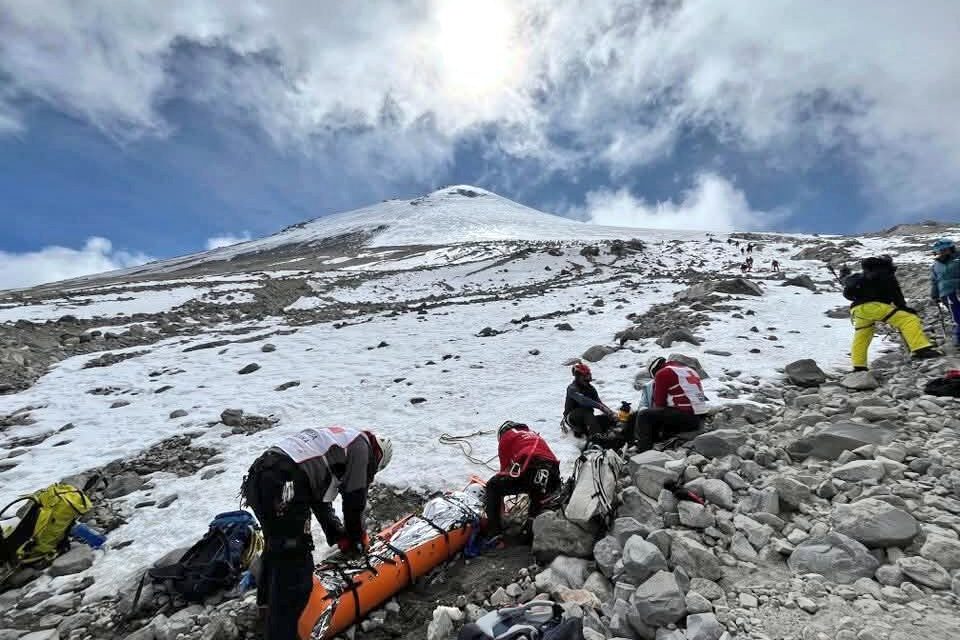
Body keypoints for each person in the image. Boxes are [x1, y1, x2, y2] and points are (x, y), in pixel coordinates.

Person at [242, 426, 393, 640]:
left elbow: (318, 500)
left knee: (277, 548)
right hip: (284, 480)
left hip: (260, 476)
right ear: (378, 457)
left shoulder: (338, 443)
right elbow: (354, 500)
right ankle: (282, 633)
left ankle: (265, 614)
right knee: (297, 568)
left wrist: (338, 535)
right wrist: (357, 538)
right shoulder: (361, 447)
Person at [841, 255, 941, 371]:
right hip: (875, 306)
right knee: (908, 319)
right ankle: (920, 349)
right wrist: (903, 307)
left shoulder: (859, 277)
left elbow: (847, 291)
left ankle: (859, 366)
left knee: (862, 336)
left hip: (857, 310)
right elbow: (896, 293)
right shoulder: (886, 274)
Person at [484, 422, 560, 538]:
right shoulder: (534, 435)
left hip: (531, 468)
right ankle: (530, 524)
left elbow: (504, 469)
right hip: (552, 473)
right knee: (537, 491)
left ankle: (495, 531)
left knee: (493, 486)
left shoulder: (507, 436)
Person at [633, 357, 709, 451]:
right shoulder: (689, 370)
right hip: (700, 417)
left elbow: (660, 403)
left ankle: (643, 450)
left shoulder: (662, 373)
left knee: (644, 415)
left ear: (653, 370)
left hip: (687, 418)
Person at [562, 363, 616, 438]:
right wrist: (599, 406)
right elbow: (583, 400)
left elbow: (599, 402)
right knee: (586, 411)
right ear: (578, 377)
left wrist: (611, 413)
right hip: (572, 419)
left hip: (587, 419)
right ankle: (596, 438)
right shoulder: (572, 388)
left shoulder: (591, 389)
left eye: (588, 375)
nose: (587, 378)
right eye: (585, 376)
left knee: (606, 419)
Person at [930, 238, 960, 347]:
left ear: (951, 249)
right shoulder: (935, 265)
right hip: (947, 294)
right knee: (957, 315)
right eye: (940, 251)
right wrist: (934, 295)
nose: (942, 253)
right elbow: (934, 281)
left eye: (945, 250)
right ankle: (958, 338)